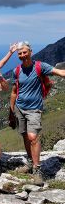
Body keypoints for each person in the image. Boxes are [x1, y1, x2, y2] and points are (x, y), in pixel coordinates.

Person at [11, 41, 65, 185]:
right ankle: (29, 163)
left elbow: (59, 72)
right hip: (20, 107)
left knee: (33, 136)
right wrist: (12, 110)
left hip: (34, 108)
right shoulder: (17, 70)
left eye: (24, 52)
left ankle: (37, 169)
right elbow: (14, 91)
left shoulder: (40, 66)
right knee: (24, 136)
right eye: (20, 53)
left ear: (30, 52)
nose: (22, 55)